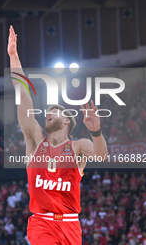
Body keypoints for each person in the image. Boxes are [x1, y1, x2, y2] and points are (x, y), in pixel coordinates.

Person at [7, 25, 108, 245]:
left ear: (67, 121)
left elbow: (101, 156)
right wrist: (14, 57)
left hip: (71, 225)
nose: (47, 115)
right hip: (41, 223)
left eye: (54, 113)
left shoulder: (78, 146)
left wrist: (96, 132)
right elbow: (23, 94)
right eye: (46, 114)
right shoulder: (35, 141)